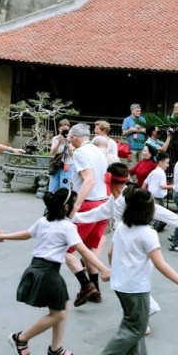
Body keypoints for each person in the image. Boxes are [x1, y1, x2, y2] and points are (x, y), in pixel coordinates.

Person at [90, 187, 178, 355]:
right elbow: (160, 264)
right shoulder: (148, 234)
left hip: (121, 284)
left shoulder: (122, 227)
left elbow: (111, 252)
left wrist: (114, 271)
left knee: (134, 324)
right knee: (135, 327)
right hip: (135, 287)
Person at [0, 188, 110, 355]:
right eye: (77, 204)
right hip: (48, 273)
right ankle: (21, 338)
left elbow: (26, 234)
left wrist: (4, 236)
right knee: (58, 314)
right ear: (66, 207)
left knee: (62, 307)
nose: (78, 207)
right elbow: (84, 251)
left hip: (36, 268)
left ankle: (55, 349)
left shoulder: (44, 221)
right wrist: (103, 269)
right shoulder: (68, 227)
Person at [65, 123, 110, 307]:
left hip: (88, 203)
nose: (70, 141)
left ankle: (86, 285)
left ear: (75, 137)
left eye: (70, 138)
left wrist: (76, 205)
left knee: (64, 248)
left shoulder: (80, 153)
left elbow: (89, 180)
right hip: (102, 203)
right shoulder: (98, 150)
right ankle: (96, 291)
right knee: (90, 248)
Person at [143, 152, 170, 232]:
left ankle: (152, 231)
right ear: (160, 162)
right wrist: (174, 186)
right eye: (167, 163)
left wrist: (143, 193)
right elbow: (163, 186)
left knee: (155, 215)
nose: (168, 165)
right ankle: (151, 233)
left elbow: (145, 182)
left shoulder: (154, 171)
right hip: (158, 198)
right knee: (156, 217)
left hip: (153, 197)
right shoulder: (161, 173)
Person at [48, 119, 73, 193]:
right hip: (56, 165)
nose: (64, 130)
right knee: (53, 186)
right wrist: (59, 143)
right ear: (59, 129)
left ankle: (63, 203)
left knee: (64, 187)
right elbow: (52, 153)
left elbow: (73, 155)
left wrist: (68, 144)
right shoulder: (55, 138)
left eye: (66, 128)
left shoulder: (72, 139)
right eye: (62, 128)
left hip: (67, 165)